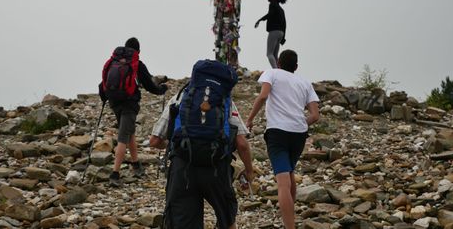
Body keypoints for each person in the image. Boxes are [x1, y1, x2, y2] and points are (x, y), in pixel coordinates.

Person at [150, 87, 253, 229]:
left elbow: (155, 140)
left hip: (183, 169)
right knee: (227, 217)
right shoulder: (224, 100)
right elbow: (241, 143)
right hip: (216, 167)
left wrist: (173, 144)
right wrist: (249, 171)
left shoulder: (179, 97)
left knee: (183, 221)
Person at [246, 50, 319, 229]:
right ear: (296, 66)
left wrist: (249, 119)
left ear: (278, 62)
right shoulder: (305, 82)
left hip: (278, 131)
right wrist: (301, 122)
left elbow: (263, 95)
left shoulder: (272, 73)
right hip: (298, 134)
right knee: (290, 173)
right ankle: (289, 217)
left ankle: (289, 226)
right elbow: (315, 115)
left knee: (283, 182)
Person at [99, 37, 168, 187]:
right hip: (129, 104)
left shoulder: (114, 61)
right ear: (139, 51)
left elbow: (103, 82)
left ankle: (136, 164)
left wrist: (104, 97)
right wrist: (161, 90)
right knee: (123, 137)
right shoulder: (137, 64)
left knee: (129, 132)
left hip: (114, 102)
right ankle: (115, 174)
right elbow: (149, 85)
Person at [255, 0, 287, 69]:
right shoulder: (281, 10)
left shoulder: (272, 4)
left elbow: (270, 14)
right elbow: (284, 24)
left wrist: (260, 20)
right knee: (275, 55)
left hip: (274, 32)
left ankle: (276, 70)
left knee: (269, 54)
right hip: (281, 33)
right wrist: (283, 37)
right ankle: (280, 70)